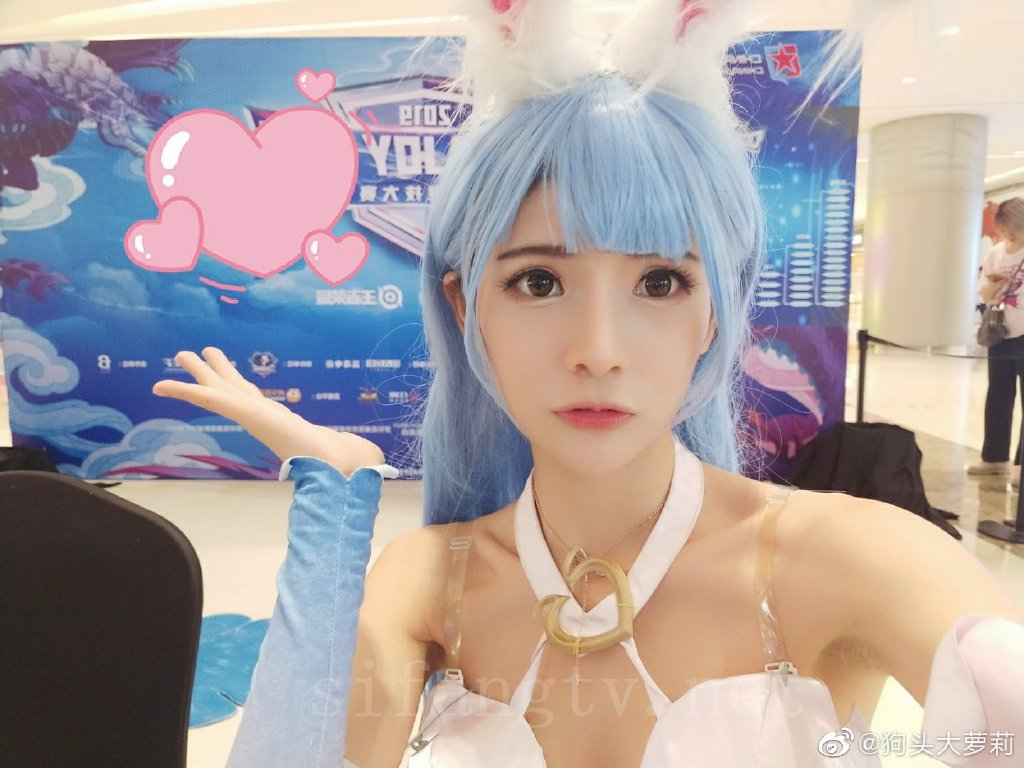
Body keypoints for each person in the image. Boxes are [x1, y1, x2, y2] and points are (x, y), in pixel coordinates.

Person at [153, 2, 1024, 766]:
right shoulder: (429, 583)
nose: (599, 351)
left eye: (659, 282)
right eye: (538, 281)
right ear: (466, 307)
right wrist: (333, 499)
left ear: (714, 312)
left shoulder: (847, 560)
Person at [969, 197, 1024, 489]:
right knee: (998, 395)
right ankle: (994, 458)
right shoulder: (995, 253)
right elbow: (986, 295)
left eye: (1017, 230)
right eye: (1006, 231)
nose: (1011, 237)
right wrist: (993, 286)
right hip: (1000, 333)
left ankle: (1020, 466)